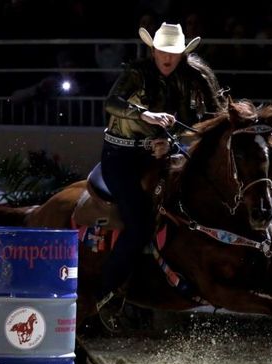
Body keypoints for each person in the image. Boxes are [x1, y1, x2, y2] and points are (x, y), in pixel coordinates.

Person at [96, 22, 225, 330]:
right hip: (121, 158)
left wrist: (169, 141)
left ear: (182, 55)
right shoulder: (136, 74)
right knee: (138, 221)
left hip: (161, 154)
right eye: (163, 52)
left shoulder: (189, 78)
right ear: (153, 51)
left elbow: (197, 120)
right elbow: (111, 103)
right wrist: (144, 114)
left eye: (174, 54)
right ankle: (107, 292)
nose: (168, 58)